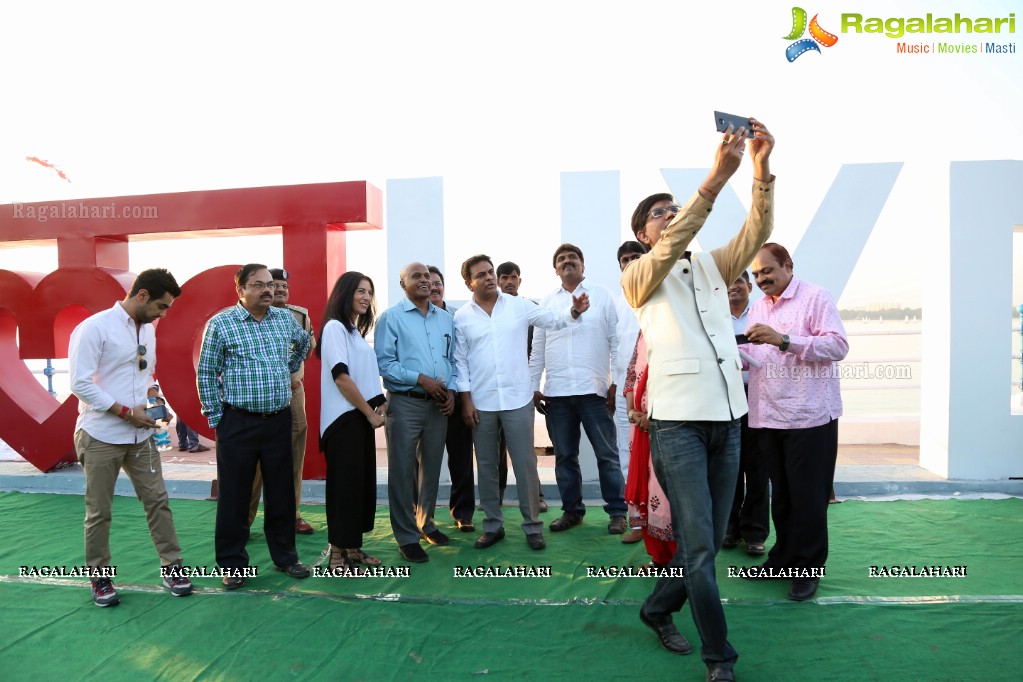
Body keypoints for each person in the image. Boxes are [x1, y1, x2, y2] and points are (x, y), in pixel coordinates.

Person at [621, 119, 775, 682]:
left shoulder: (712, 265)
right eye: (660, 212)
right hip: (677, 425)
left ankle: (658, 608)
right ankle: (721, 659)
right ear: (644, 234)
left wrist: (757, 171)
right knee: (703, 547)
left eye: (672, 208)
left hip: (729, 419)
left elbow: (757, 231)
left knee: (702, 541)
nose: (670, 213)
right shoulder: (640, 274)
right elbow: (680, 233)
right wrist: (712, 180)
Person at [68, 268, 193, 606]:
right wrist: (126, 412)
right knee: (99, 511)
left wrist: (156, 404)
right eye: (161, 306)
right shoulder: (94, 328)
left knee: (158, 502)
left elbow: (146, 374)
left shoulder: (148, 330)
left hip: (140, 437)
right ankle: (100, 578)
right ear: (141, 296)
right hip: (100, 435)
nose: (163, 314)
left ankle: (173, 567)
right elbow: (79, 383)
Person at [454, 254, 589, 551]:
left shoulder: (518, 306)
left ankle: (532, 527)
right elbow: (460, 362)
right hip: (482, 402)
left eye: (491, 272)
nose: (490, 277)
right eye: (483, 274)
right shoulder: (462, 317)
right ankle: (492, 526)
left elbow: (552, 320)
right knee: (488, 466)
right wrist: (466, 400)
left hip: (517, 400)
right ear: (469, 283)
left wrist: (574, 312)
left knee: (526, 465)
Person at [744, 243, 849, 602]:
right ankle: (783, 559)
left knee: (808, 497)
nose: (760, 279)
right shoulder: (758, 307)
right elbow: (758, 357)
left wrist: (785, 340)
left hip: (810, 415)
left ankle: (808, 568)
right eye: (756, 274)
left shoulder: (816, 297)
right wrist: (734, 354)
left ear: (788, 265)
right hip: (769, 415)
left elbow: (837, 346)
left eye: (766, 271)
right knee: (783, 497)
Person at [197, 263, 313, 589]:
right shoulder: (221, 324)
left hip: (278, 420)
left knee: (281, 493)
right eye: (259, 285)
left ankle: (286, 557)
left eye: (270, 285)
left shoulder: (283, 321)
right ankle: (234, 564)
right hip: (238, 423)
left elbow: (304, 344)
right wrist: (217, 418)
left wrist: (286, 368)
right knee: (235, 496)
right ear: (241, 290)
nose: (268, 290)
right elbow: (206, 374)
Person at [530, 243, 627, 536]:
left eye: (573, 257)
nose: (567, 261)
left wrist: (615, 384)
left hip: (594, 391)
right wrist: (534, 386)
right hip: (557, 393)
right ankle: (572, 511)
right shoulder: (546, 302)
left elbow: (617, 341)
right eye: (561, 259)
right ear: (555, 269)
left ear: (583, 266)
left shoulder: (603, 296)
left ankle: (618, 513)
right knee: (565, 456)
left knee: (607, 454)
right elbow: (538, 349)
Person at [375, 262, 457, 563]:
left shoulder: (446, 320)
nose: (425, 282)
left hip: (438, 405)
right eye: (417, 277)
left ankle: (426, 523)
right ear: (402, 283)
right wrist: (422, 379)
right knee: (402, 471)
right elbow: (385, 364)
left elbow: (452, 361)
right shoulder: (391, 318)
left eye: (428, 277)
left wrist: (452, 391)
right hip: (405, 401)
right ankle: (406, 536)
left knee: (432, 468)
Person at [318, 271, 386, 574]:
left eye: (369, 292)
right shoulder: (334, 328)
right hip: (344, 421)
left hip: (359, 420)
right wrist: (370, 413)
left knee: (358, 488)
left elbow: (362, 375)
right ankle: (336, 556)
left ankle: (352, 547)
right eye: (360, 291)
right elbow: (342, 377)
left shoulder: (353, 331)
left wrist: (379, 404)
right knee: (344, 490)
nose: (366, 297)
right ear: (345, 293)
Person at [247, 268, 317, 536]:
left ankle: (292, 514)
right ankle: (246, 519)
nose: (279, 291)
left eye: (284, 287)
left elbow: (308, 349)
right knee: (254, 462)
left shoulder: (299, 316)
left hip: (293, 391)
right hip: (259, 397)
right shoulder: (249, 317)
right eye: (273, 285)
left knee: (293, 458)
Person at [722, 271, 770, 557]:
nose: (734, 287)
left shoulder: (763, 313)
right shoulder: (713, 319)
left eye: (739, 281)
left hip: (760, 397)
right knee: (728, 468)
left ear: (750, 286)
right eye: (728, 283)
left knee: (757, 469)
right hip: (726, 398)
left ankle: (755, 533)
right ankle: (730, 529)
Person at [494, 260, 547, 512]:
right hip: (493, 392)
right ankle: (496, 497)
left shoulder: (529, 310)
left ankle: (538, 497)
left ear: (520, 281)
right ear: (497, 281)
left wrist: (533, 385)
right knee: (495, 450)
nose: (509, 282)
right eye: (504, 277)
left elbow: (538, 352)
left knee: (525, 450)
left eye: (513, 277)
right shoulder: (490, 311)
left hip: (522, 391)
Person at [428, 265, 476, 532]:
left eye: (438, 283)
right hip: (425, 400)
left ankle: (463, 513)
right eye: (429, 283)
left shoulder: (456, 319)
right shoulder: (414, 319)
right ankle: (422, 514)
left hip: (455, 399)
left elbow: (462, 360)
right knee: (425, 462)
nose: (433, 287)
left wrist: (454, 392)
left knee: (461, 460)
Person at [623, 332, 677, 567]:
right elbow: (631, 376)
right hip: (640, 428)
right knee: (645, 487)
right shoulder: (643, 333)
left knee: (665, 493)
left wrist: (654, 417)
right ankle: (659, 558)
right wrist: (632, 412)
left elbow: (682, 380)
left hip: (670, 425)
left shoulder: (678, 329)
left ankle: (679, 560)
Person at [614, 241, 647, 545]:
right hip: (627, 396)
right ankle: (637, 521)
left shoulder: (661, 292)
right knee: (629, 458)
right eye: (624, 260)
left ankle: (670, 526)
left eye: (636, 257)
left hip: (666, 394)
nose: (629, 263)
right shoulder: (616, 302)